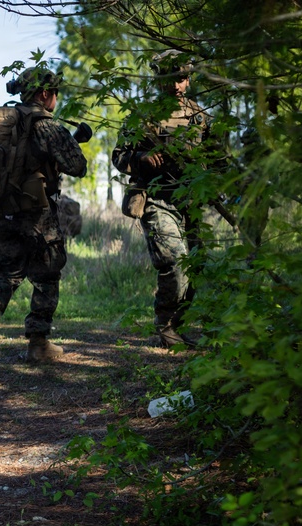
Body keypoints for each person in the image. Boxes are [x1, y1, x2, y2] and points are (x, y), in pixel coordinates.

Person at [0, 67, 88, 363]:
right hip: (37, 215)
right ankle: (38, 342)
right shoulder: (46, 125)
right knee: (47, 276)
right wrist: (74, 141)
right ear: (45, 94)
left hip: (1, 213)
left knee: (6, 276)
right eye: (55, 93)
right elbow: (77, 166)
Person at [112, 50, 213, 348]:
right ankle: (165, 324)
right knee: (174, 260)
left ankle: (178, 324)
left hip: (190, 202)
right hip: (157, 199)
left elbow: (217, 156)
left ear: (189, 79)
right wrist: (141, 157)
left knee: (196, 265)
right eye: (170, 79)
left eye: (182, 78)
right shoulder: (143, 116)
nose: (177, 86)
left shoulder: (200, 116)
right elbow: (119, 156)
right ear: (159, 80)